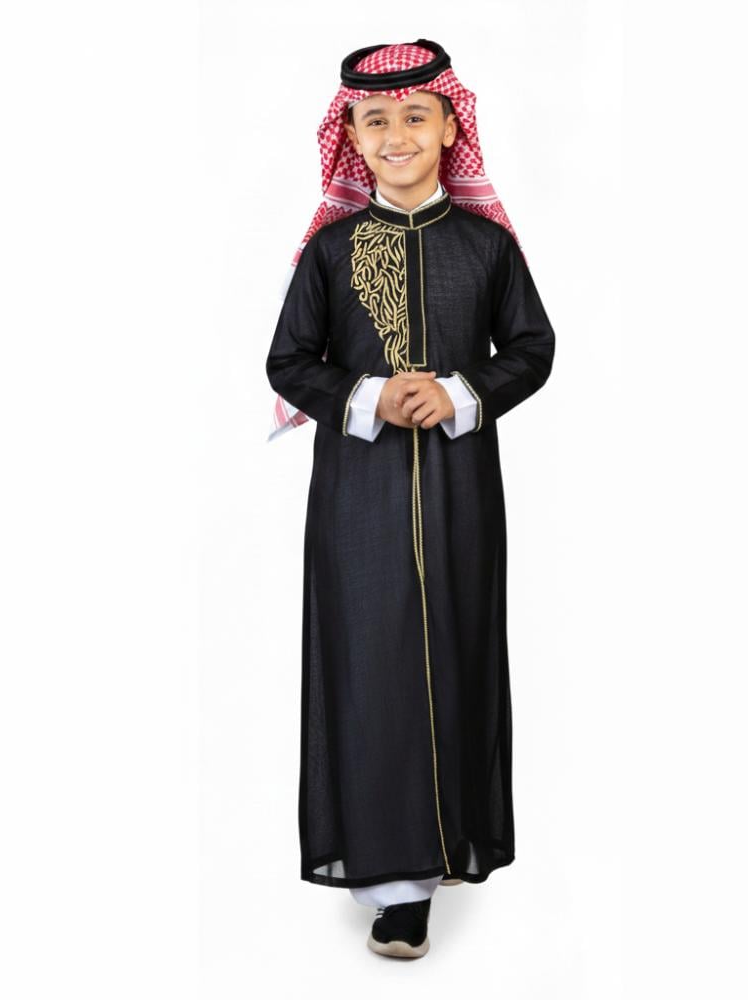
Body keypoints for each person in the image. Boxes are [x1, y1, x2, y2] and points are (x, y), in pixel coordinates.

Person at [264, 38, 556, 959]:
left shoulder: (488, 247)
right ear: (351, 135)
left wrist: (463, 391)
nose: (396, 135)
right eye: (375, 120)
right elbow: (288, 362)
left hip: (463, 496)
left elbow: (533, 348)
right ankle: (397, 888)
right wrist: (369, 396)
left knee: (458, 655)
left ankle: (451, 839)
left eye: (415, 117)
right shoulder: (330, 250)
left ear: (450, 127)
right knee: (373, 669)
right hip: (359, 500)